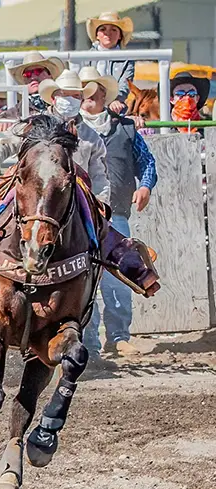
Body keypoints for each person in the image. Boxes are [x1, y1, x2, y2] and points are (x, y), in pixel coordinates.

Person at [78, 67, 158, 357]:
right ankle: (88, 343)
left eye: (94, 91)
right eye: (84, 91)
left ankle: (119, 335)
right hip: (79, 213)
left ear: (103, 95)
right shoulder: (70, 128)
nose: (90, 96)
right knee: (83, 277)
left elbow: (146, 162)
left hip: (116, 210)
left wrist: (146, 186)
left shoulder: (124, 128)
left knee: (118, 275)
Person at [0, 69, 111, 200]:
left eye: (76, 96)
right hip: (34, 193)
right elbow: (8, 141)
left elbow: (98, 176)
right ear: (53, 99)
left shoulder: (92, 138)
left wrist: (101, 202)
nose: (70, 100)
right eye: (64, 95)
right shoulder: (36, 124)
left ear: (81, 100)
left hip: (75, 196)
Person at [86, 11, 136, 115]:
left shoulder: (126, 59)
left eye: (113, 30)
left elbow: (125, 84)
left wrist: (116, 99)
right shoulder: (86, 56)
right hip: (87, 104)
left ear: (120, 36)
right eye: (103, 29)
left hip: (116, 108)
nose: (108, 33)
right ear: (97, 35)